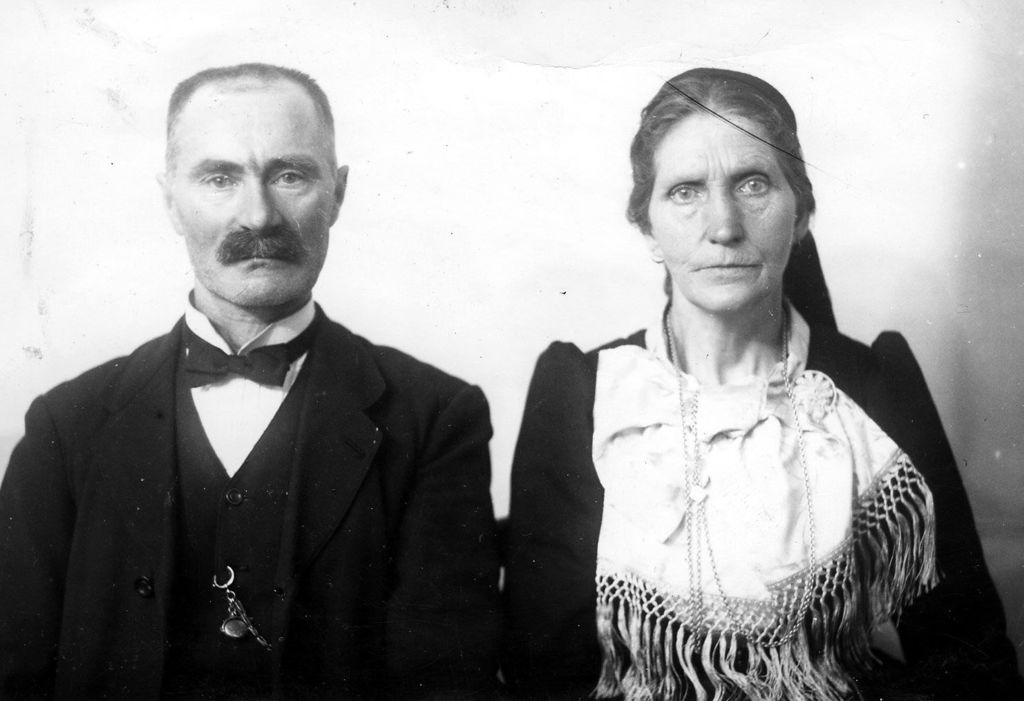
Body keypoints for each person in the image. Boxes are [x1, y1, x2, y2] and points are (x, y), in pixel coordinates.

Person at [502, 68, 1023, 701]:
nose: (723, 225)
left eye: (753, 184)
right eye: (686, 191)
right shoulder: (587, 394)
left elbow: (969, 658)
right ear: (647, 227)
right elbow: (545, 674)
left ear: (801, 214)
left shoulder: (872, 385)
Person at [0, 63, 500, 699]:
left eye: (290, 175)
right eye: (220, 178)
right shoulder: (65, 424)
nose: (259, 215)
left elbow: (446, 680)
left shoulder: (434, 418)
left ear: (338, 194)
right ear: (170, 201)